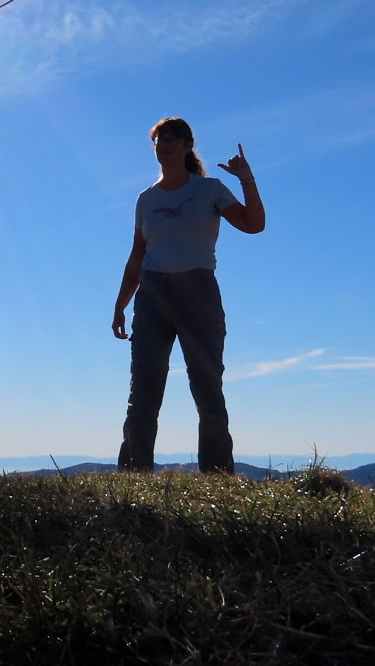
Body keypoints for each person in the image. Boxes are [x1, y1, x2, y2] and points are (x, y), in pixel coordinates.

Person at [111, 117, 265, 475]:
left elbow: (253, 224)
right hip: (151, 295)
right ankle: (134, 474)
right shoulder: (146, 199)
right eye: (158, 141)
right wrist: (120, 303)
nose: (163, 146)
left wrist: (246, 180)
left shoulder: (209, 190)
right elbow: (136, 255)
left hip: (198, 292)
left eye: (171, 140)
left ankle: (217, 476)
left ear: (186, 146)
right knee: (144, 390)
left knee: (207, 385)